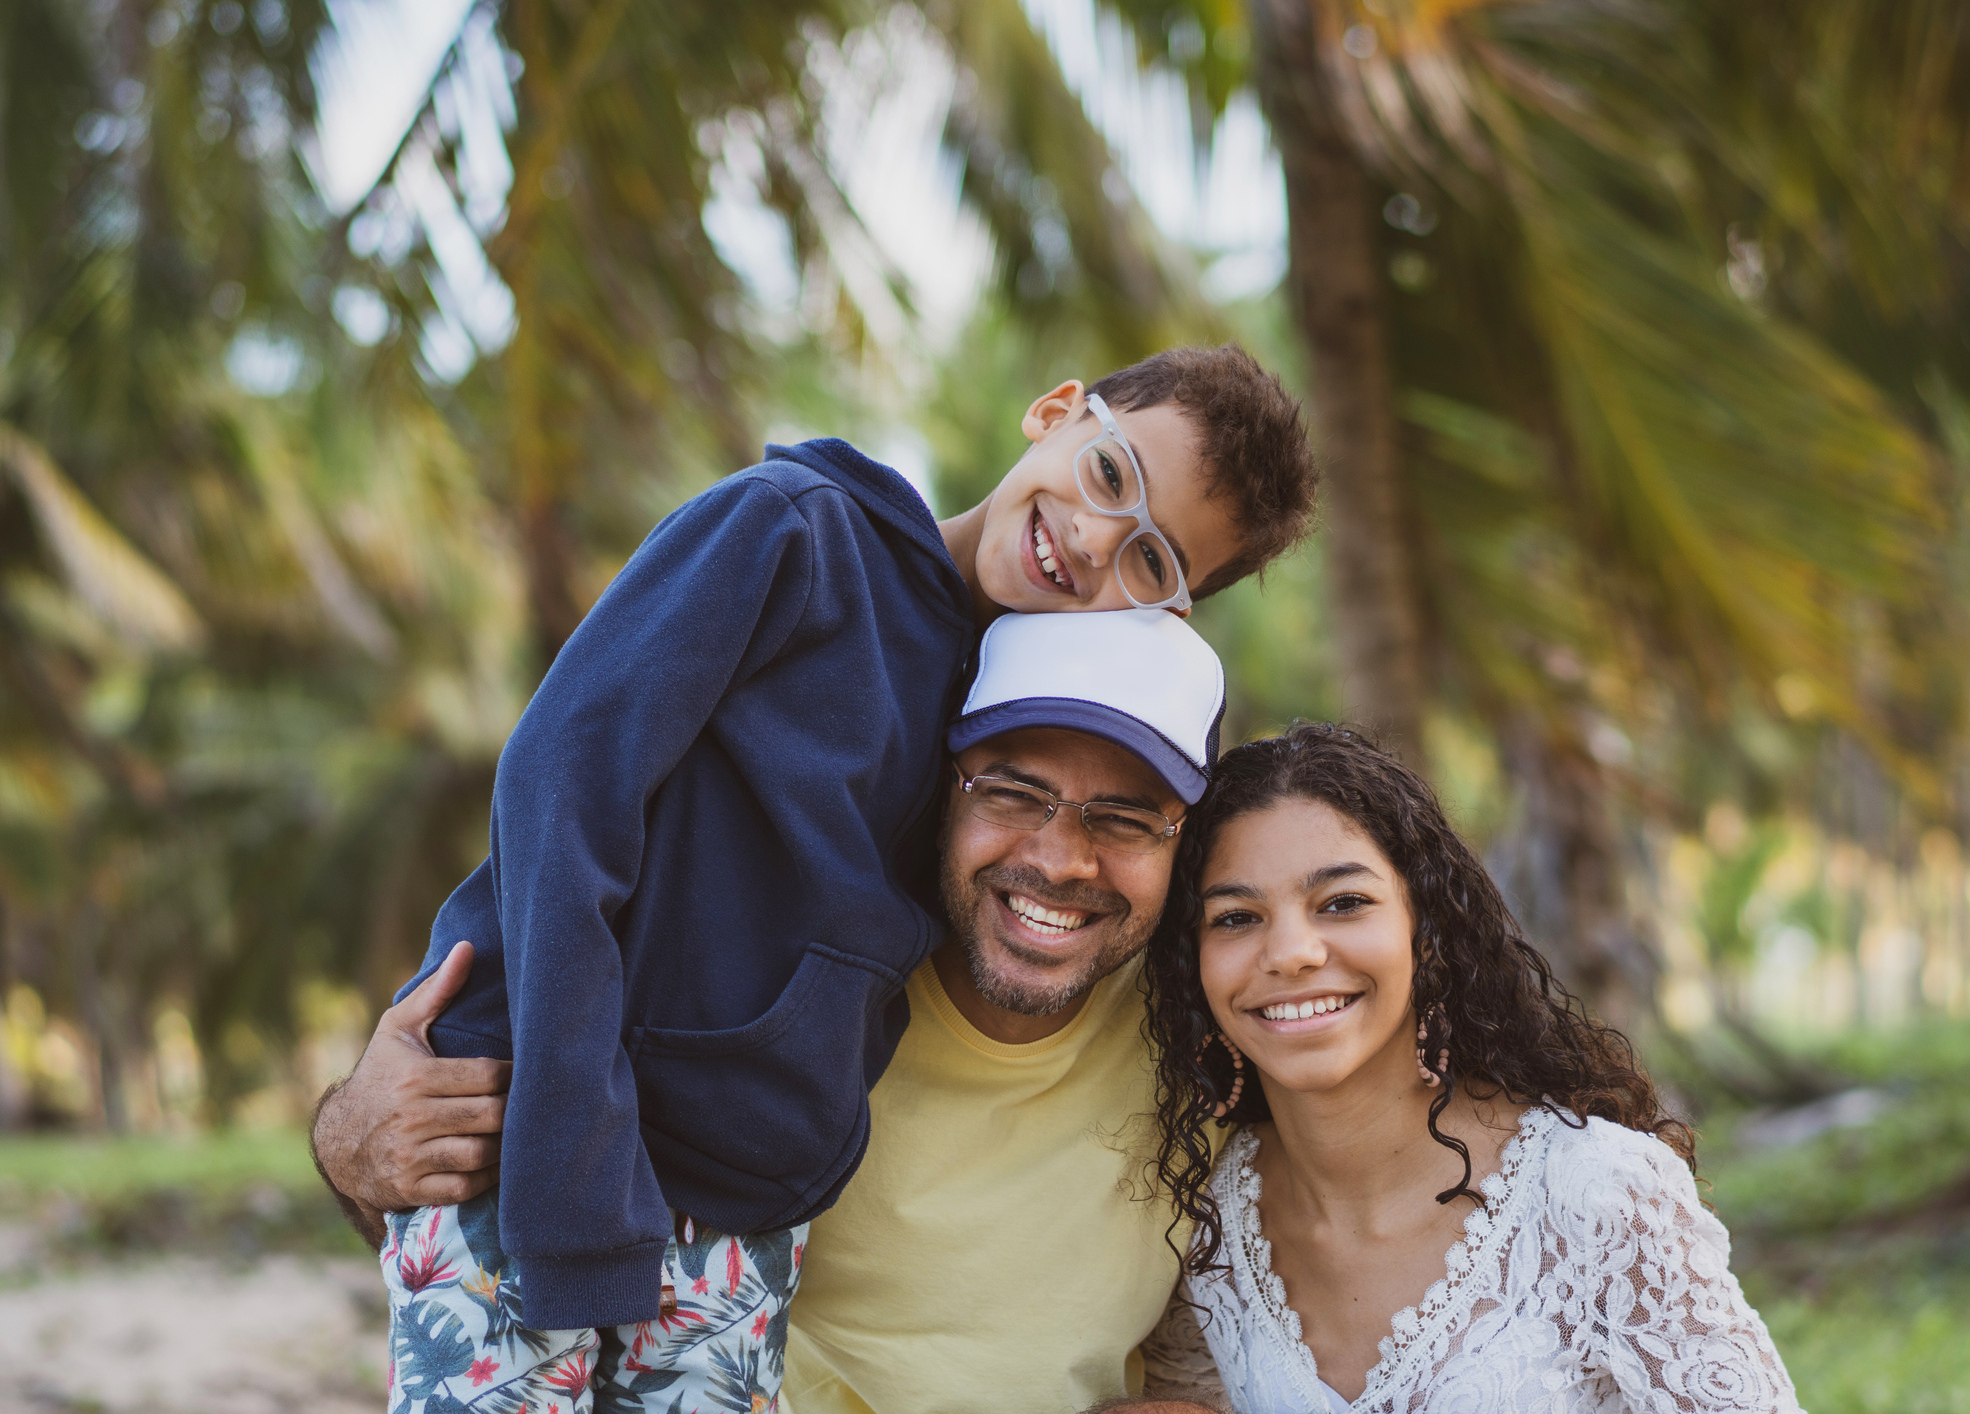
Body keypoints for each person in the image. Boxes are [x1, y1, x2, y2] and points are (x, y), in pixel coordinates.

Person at [355, 342, 1316, 1411]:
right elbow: (564, 782)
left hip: (739, 1203)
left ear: (1168, 611)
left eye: (1152, 558)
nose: (1092, 540)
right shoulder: (790, 531)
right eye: (1109, 475)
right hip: (554, 1135)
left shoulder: (1012, 710)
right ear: (1055, 412)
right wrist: (566, 1160)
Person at [319, 607, 1238, 1414]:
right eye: (1010, 791)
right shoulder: (765, 992)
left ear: (1183, 845)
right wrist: (352, 1142)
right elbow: (487, 1211)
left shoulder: (1215, 1038)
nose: (1061, 859)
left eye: (1126, 818)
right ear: (939, 791)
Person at [1136, 723, 1804, 1414]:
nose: (1292, 953)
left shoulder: (1593, 1193)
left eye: (1342, 903)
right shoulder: (1208, 1219)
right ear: (1191, 964)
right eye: (1235, 917)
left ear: (1426, 934)